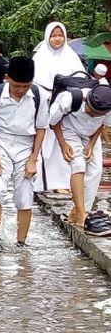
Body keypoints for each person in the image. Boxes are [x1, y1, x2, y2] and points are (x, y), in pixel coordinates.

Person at [0, 56, 48, 252]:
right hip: (1, 143)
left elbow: (42, 128)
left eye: (26, 86)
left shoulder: (39, 95)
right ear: (7, 78)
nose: (21, 90)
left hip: (26, 146)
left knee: (25, 196)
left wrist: (33, 160)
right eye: (17, 85)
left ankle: (21, 243)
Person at [49, 84, 111, 235]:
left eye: (98, 114)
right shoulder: (70, 99)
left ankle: (77, 212)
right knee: (78, 163)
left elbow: (102, 124)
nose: (93, 115)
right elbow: (53, 122)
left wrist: (91, 144)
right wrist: (63, 144)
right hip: (68, 130)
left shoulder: (108, 107)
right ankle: (82, 216)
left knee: (96, 170)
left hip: (90, 135)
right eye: (91, 112)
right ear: (86, 101)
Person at [33, 22, 85, 193]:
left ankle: (64, 182)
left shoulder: (71, 57)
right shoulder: (40, 58)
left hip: (67, 107)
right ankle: (44, 182)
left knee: (65, 143)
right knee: (47, 143)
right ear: (48, 37)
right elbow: (32, 84)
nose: (57, 39)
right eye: (53, 35)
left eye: (60, 35)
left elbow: (81, 80)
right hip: (46, 105)